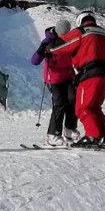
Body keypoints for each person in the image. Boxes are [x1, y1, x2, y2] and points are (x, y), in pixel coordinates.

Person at [48, 12, 105, 150]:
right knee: (94, 108)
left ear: (80, 21)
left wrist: (49, 47)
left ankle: (93, 137)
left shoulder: (82, 31)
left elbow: (60, 45)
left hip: (90, 73)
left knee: (83, 108)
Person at [30, 18, 79, 146]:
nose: (64, 36)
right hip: (54, 78)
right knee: (60, 103)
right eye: (62, 33)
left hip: (68, 76)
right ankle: (53, 135)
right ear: (57, 31)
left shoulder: (70, 40)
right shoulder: (49, 41)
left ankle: (69, 129)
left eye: (66, 33)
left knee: (73, 99)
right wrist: (43, 48)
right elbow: (34, 61)